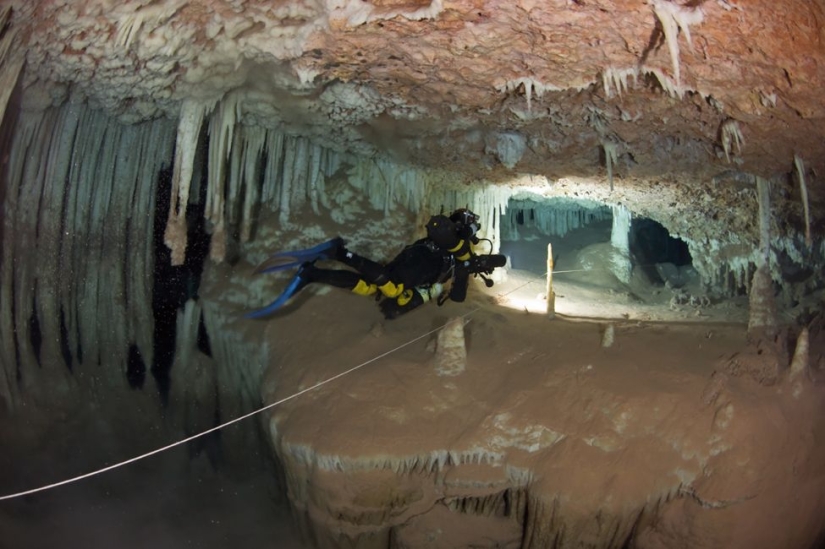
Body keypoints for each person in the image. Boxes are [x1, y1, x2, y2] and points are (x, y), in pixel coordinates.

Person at [248, 208, 503, 320]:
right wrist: (468, 266)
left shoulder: (456, 247)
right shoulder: (463, 250)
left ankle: (313, 273)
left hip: (417, 258)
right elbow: (459, 293)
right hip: (422, 263)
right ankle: (339, 253)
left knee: (374, 288)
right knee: (389, 287)